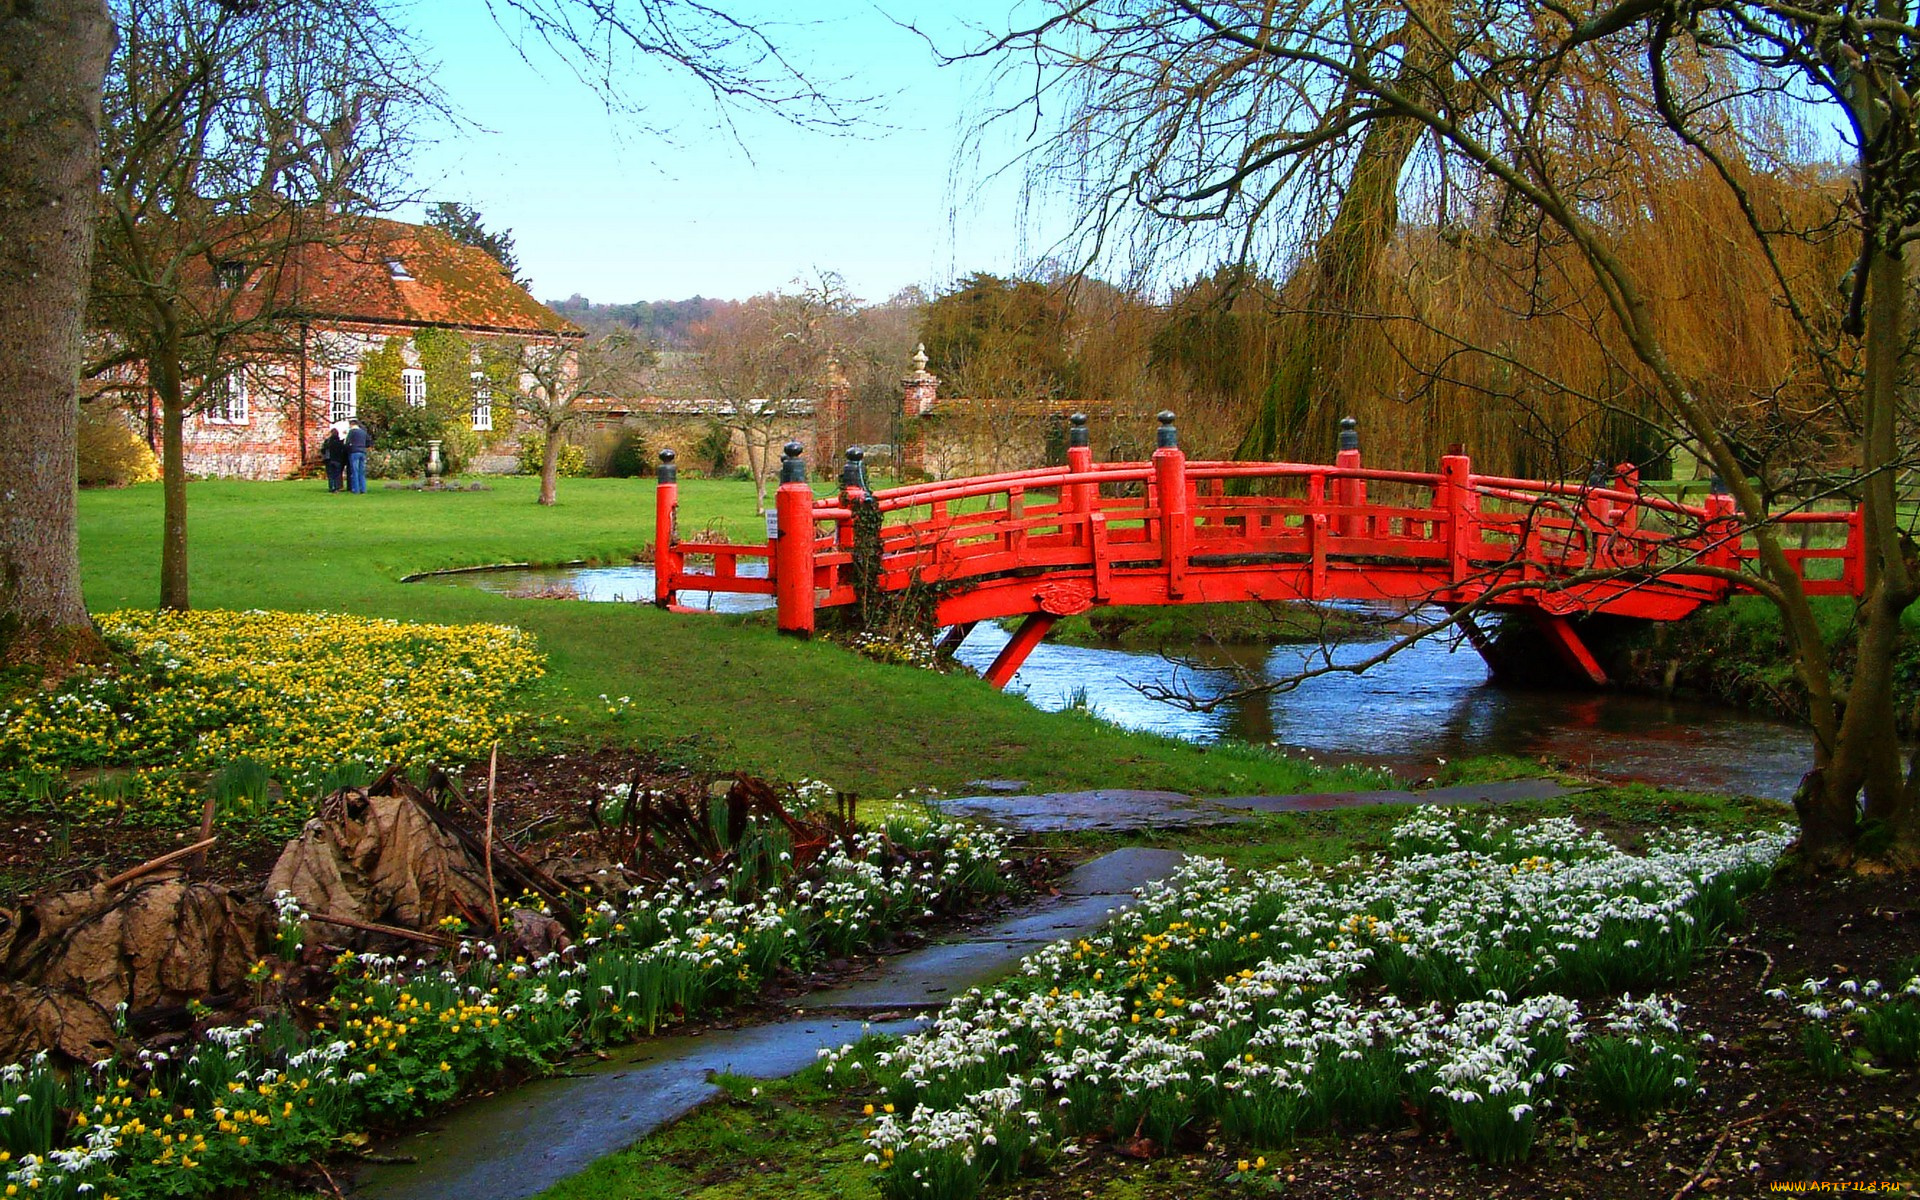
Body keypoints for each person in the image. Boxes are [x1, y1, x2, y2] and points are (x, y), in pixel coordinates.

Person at [345, 417, 372, 494]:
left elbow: (347, 442)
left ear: (352, 424)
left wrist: (348, 449)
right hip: (362, 452)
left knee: (354, 471)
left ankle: (356, 489)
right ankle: (363, 489)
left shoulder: (352, 432)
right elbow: (369, 442)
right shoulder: (363, 432)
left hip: (354, 452)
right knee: (361, 472)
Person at [320, 422, 348, 493]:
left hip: (329, 460)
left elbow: (323, 450)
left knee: (330, 475)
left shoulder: (327, 442)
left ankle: (331, 487)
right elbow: (344, 451)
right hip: (338, 460)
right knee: (337, 474)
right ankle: (337, 487)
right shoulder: (340, 442)